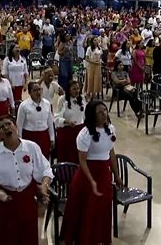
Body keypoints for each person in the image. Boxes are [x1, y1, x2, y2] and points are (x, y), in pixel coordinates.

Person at [0, 115, 53, 245]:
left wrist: (44, 185)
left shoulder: (32, 147)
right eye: (1, 127)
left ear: (16, 126)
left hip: (26, 200)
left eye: (8, 124)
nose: (6, 128)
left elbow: (46, 170)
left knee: (26, 237)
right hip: (3, 200)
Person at [60, 100, 122, 244]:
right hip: (88, 175)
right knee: (88, 210)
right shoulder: (85, 134)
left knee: (102, 209)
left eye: (105, 110)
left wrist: (116, 175)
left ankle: (99, 237)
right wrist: (92, 181)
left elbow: (111, 152)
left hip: (104, 175)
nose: (104, 114)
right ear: (92, 115)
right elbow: (82, 161)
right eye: (99, 112)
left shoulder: (110, 129)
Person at [16, 81, 55, 159]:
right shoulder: (24, 106)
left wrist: (52, 138)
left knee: (43, 158)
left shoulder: (47, 103)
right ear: (29, 93)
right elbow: (19, 125)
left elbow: (50, 122)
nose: (38, 92)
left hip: (43, 136)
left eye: (39, 89)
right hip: (30, 136)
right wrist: (20, 140)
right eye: (35, 90)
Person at [54, 80, 86, 163]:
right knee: (66, 156)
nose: (77, 91)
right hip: (66, 132)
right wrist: (66, 122)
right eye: (74, 89)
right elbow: (56, 117)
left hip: (79, 131)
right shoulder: (62, 99)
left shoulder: (82, 98)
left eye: (78, 88)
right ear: (69, 90)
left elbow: (85, 115)